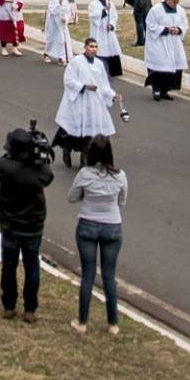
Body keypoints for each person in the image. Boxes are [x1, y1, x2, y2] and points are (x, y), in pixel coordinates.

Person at [0, 127, 54, 323]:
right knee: (32, 266)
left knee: (9, 266)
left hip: (10, 224)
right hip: (33, 226)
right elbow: (49, 176)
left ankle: (9, 305)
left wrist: (11, 155)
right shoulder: (39, 170)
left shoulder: (6, 167)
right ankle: (30, 308)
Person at [68, 135, 127, 337]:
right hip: (112, 226)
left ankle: (82, 322)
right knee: (109, 275)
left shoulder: (85, 174)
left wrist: (87, 195)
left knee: (88, 274)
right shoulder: (120, 176)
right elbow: (122, 201)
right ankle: (113, 324)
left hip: (88, 224)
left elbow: (72, 197)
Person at [52, 37, 118, 167]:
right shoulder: (76, 62)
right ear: (85, 47)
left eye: (95, 47)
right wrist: (84, 86)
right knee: (73, 131)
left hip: (94, 103)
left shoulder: (99, 64)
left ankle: (85, 159)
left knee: (91, 133)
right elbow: (68, 80)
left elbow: (104, 85)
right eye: (91, 46)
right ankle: (67, 149)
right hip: (79, 102)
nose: (94, 49)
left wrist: (113, 95)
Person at [144, 0, 189, 99]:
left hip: (174, 43)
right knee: (159, 66)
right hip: (159, 43)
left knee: (173, 67)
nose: (175, 5)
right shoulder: (156, 10)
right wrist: (166, 29)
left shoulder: (180, 10)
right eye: (173, 2)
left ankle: (165, 91)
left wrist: (178, 29)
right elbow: (150, 24)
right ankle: (156, 90)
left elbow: (184, 24)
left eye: (177, 2)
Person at [88, 0, 122, 77]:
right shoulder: (93, 4)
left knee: (111, 48)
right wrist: (104, 10)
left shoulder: (110, 3)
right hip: (99, 31)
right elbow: (93, 16)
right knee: (100, 49)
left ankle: (113, 71)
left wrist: (111, 25)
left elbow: (114, 16)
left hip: (108, 31)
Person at [44, 0, 75, 65]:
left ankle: (63, 56)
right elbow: (52, 10)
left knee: (63, 39)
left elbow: (68, 11)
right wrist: (59, 6)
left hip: (62, 24)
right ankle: (47, 53)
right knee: (52, 39)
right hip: (54, 23)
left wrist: (66, 18)